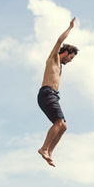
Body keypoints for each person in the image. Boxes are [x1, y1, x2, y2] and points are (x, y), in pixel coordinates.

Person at [37, 17, 78, 167]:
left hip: (52, 95)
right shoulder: (53, 58)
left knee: (63, 126)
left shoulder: (60, 67)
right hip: (46, 93)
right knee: (59, 122)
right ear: (66, 52)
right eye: (71, 57)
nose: (71, 60)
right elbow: (59, 40)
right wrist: (70, 27)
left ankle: (49, 152)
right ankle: (44, 148)